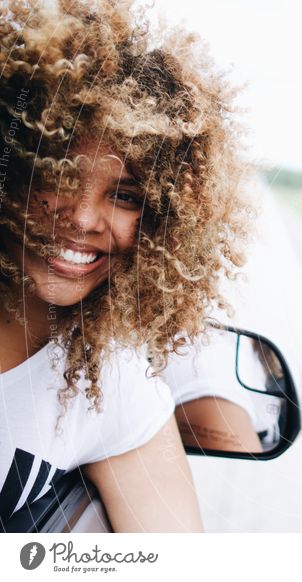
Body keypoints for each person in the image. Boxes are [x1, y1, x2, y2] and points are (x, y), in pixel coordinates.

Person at [0, 0, 252, 532]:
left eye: (127, 196)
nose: (84, 218)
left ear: (166, 224)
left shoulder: (108, 383)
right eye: (59, 174)